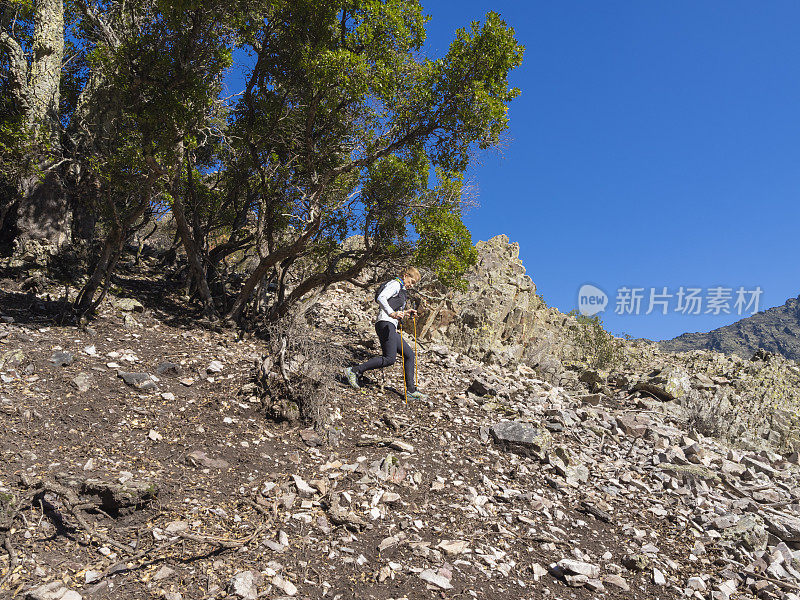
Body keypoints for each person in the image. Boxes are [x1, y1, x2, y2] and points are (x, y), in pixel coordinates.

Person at [344, 267, 427, 400]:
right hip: (385, 323)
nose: (411, 285)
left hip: (390, 325)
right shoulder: (395, 284)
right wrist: (391, 313)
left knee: (409, 355)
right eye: (411, 281)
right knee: (389, 359)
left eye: (413, 284)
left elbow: (392, 306)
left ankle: (411, 391)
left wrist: (406, 313)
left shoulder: (401, 289)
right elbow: (381, 298)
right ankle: (354, 371)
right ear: (405, 276)